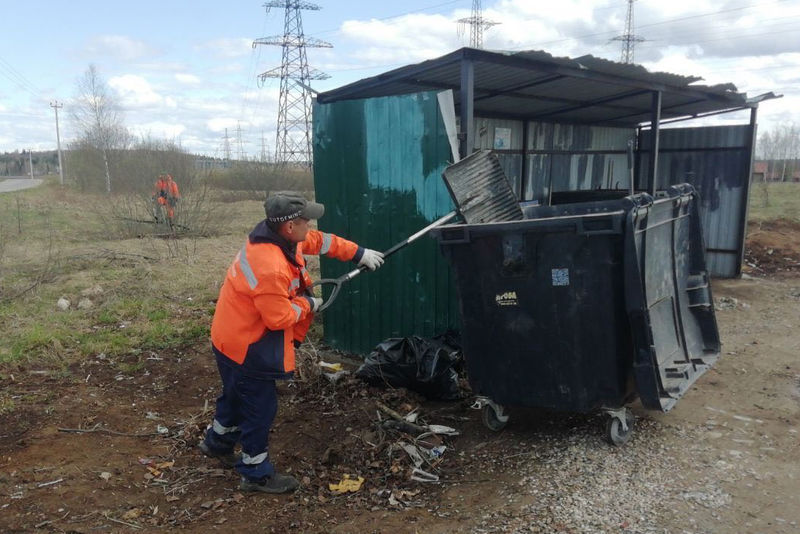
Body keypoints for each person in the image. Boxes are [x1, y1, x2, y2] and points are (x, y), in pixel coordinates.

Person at [199, 191, 385, 494]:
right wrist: (309, 305)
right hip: (247, 345)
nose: (310, 226)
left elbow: (322, 241)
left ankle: (217, 442)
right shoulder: (269, 266)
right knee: (260, 408)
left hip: (227, 335)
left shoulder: (278, 238)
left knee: (235, 394)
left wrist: (358, 252)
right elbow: (278, 318)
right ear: (289, 226)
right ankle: (255, 472)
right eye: (306, 221)